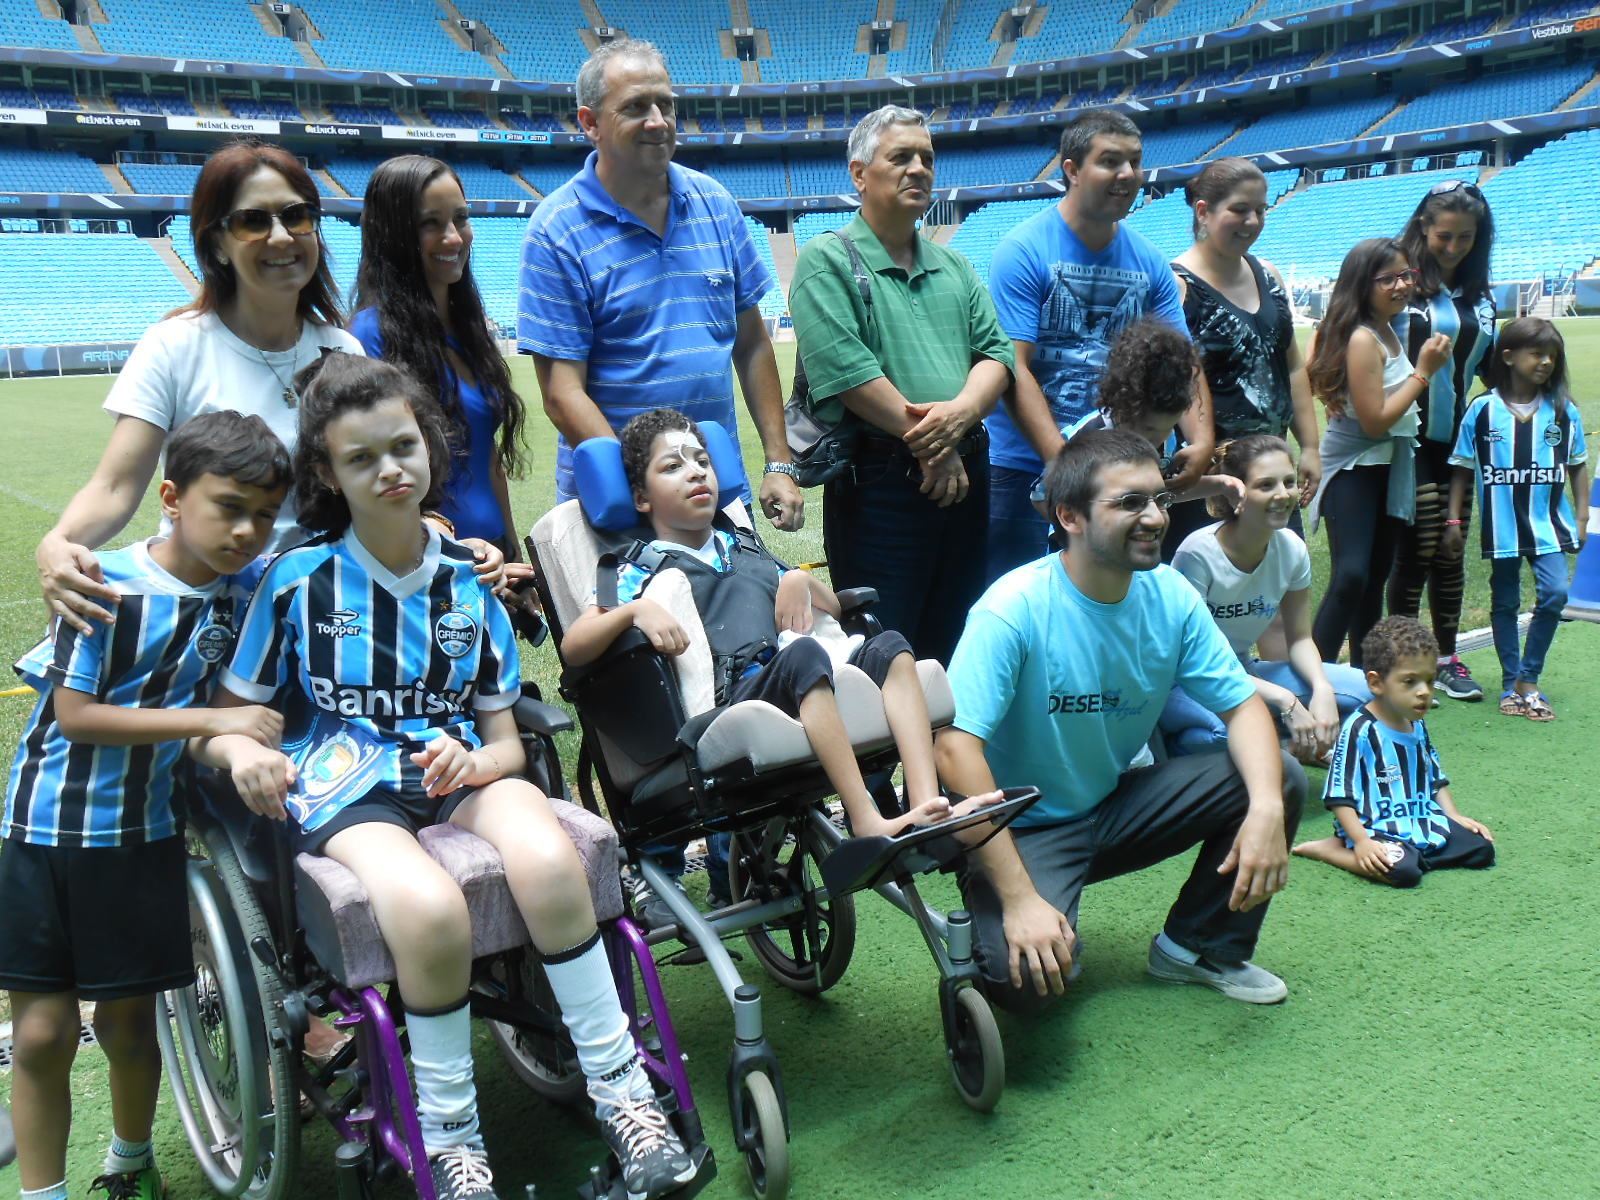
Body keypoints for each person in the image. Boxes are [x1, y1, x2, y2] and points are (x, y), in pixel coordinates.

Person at [191, 355, 694, 1200]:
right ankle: (454, 1139)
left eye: (402, 446)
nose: (389, 469)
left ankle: (625, 1095)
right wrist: (240, 752)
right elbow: (224, 717)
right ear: (326, 472)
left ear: (428, 445)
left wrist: (479, 763)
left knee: (548, 857)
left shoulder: (468, 580)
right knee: (427, 909)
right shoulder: (296, 581)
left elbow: (502, 740)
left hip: (457, 761)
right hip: (350, 784)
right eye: (360, 458)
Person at [0, 412, 291, 1200]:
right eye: (228, 506)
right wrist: (214, 719)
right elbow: (77, 716)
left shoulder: (248, 596)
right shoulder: (104, 581)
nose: (247, 529)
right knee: (41, 1032)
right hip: (45, 831)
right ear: (170, 496)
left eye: (264, 514)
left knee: (129, 1025)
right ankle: (42, 1193)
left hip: (144, 836)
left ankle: (128, 1166)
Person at [935, 428, 1306, 1015]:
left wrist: (1264, 808)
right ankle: (1008, 896)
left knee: (1277, 777)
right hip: (1024, 827)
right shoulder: (1014, 607)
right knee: (1024, 985)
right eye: (1130, 502)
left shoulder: (1170, 597)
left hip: (1112, 808)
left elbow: (1241, 707)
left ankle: (1196, 948)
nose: (1155, 517)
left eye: (1157, 498)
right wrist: (1019, 897)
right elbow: (955, 749)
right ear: (1070, 516)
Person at [563, 408, 1003, 840]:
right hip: (730, 695)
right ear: (641, 498)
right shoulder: (640, 567)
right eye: (673, 466)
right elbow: (575, 647)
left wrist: (798, 579)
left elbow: (833, 606)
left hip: (792, 674)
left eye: (702, 461)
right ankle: (865, 817)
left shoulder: (745, 547)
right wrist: (634, 611)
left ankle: (925, 803)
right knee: (804, 655)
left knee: (890, 645)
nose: (696, 473)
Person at [34, 139, 365, 636]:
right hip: (206, 615)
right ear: (216, 246)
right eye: (254, 221)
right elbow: (116, 486)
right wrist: (58, 541)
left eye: (296, 215)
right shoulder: (174, 346)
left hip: (320, 613)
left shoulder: (344, 352)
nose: (281, 237)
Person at [518, 38, 803, 531]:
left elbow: (753, 343)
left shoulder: (715, 203)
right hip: (618, 502)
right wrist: (644, 487)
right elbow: (563, 394)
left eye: (666, 105)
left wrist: (777, 463)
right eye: (635, 107)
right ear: (590, 123)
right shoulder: (555, 230)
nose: (658, 121)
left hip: (712, 490)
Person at [789, 104, 1013, 664]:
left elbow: (998, 357)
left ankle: (943, 753)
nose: (919, 169)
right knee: (885, 649)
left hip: (967, 472)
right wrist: (937, 443)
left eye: (927, 158)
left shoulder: (955, 266)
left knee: (956, 643)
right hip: (883, 486)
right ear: (859, 174)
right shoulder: (826, 260)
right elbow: (848, 373)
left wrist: (960, 416)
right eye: (901, 157)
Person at [984, 108, 1211, 580]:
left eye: (1135, 161)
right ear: (1072, 169)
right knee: (1021, 602)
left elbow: (1180, 362)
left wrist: (1201, 438)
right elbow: (1013, 368)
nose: (1127, 175)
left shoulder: (1149, 261)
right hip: (1025, 467)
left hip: (1122, 468)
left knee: (1115, 602)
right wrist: (1062, 462)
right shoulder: (1023, 250)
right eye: (1110, 161)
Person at [352, 154, 529, 560]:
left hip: (492, 561)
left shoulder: (469, 330)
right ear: (394, 234)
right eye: (430, 223)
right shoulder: (369, 337)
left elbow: (488, 461)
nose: (453, 237)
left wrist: (515, 553)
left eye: (461, 218)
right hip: (427, 563)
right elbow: (373, 480)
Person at [1161, 435, 1370, 761]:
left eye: (1288, 482)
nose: (1283, 494)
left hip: (1243, 671)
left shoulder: (1291, 548)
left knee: (1366, 693)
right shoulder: (1197, 554)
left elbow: (1300, 639)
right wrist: (1285, 700)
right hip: (1186, 683)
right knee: (1227, 732)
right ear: (1237, 494)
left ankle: (1280, 743)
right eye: (1266, 485)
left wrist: (1322, 688)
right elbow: (1196, 664)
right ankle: (1176, 752)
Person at [1305, 238, 1452, 668]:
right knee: (1351, 577)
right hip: (1354, 465)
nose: (1401, 285)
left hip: (1388, 464)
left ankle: (1361, 675)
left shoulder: (1383, 327)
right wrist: (1424, 372)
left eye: (1407, 275)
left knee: (1372, 580)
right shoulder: (1365, 337)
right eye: (1387, 278)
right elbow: (1375, 421)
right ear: (1361, 284)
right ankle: (1315, 680)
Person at [1171, 157, 1320, 564]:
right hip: (1208, 484)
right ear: (1204, 211)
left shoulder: (1268, 274)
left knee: (1277, 584)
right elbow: (1177, 389)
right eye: (1239, 209)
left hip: (1272, 471)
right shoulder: (1177, 287)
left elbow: (1291, 367)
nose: (1252, 221)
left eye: (1261, 210)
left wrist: (1308, 446)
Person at [1445, 316, 1588, 721]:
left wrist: (1580, 516)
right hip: (1502, 527)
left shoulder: (1563, 410)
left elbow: (1578, 465)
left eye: (1552, 356)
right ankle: (1511, 684)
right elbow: (1460, 467)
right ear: (1508, 356)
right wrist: (1454, 521)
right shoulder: (1483, 410)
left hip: (1549, 525)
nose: (1546, 362)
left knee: (1556, 594)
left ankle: (1530, 677)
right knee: (1505, 602)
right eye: (1537, 353)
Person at [1389, 179, 1499, 701]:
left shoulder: (1482, 297)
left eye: (1466, 238)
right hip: (1404, 440)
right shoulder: (1399, 285)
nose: (1453, 247)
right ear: (1422, 229)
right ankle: (1403, 659)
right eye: (1444, 236)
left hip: (1458, 445)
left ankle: (1449, 659)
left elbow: (1492, 371)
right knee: (1417, 550)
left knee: (1450, 552)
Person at [1292, 616, 1495, 888]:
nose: (1424, 692)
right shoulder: (1360, 729)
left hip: (1420, 821)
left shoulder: (1416, 722)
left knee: (1481, 849)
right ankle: (1332, 850)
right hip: (1376, 830)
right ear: (1376, 683)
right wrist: (1362, 841)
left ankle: (1418, 856)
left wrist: (1453, 816)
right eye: (1410, 682)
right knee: (1403, 872)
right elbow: (1340, 796)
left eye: (1429, 680)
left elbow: (1434, 776)